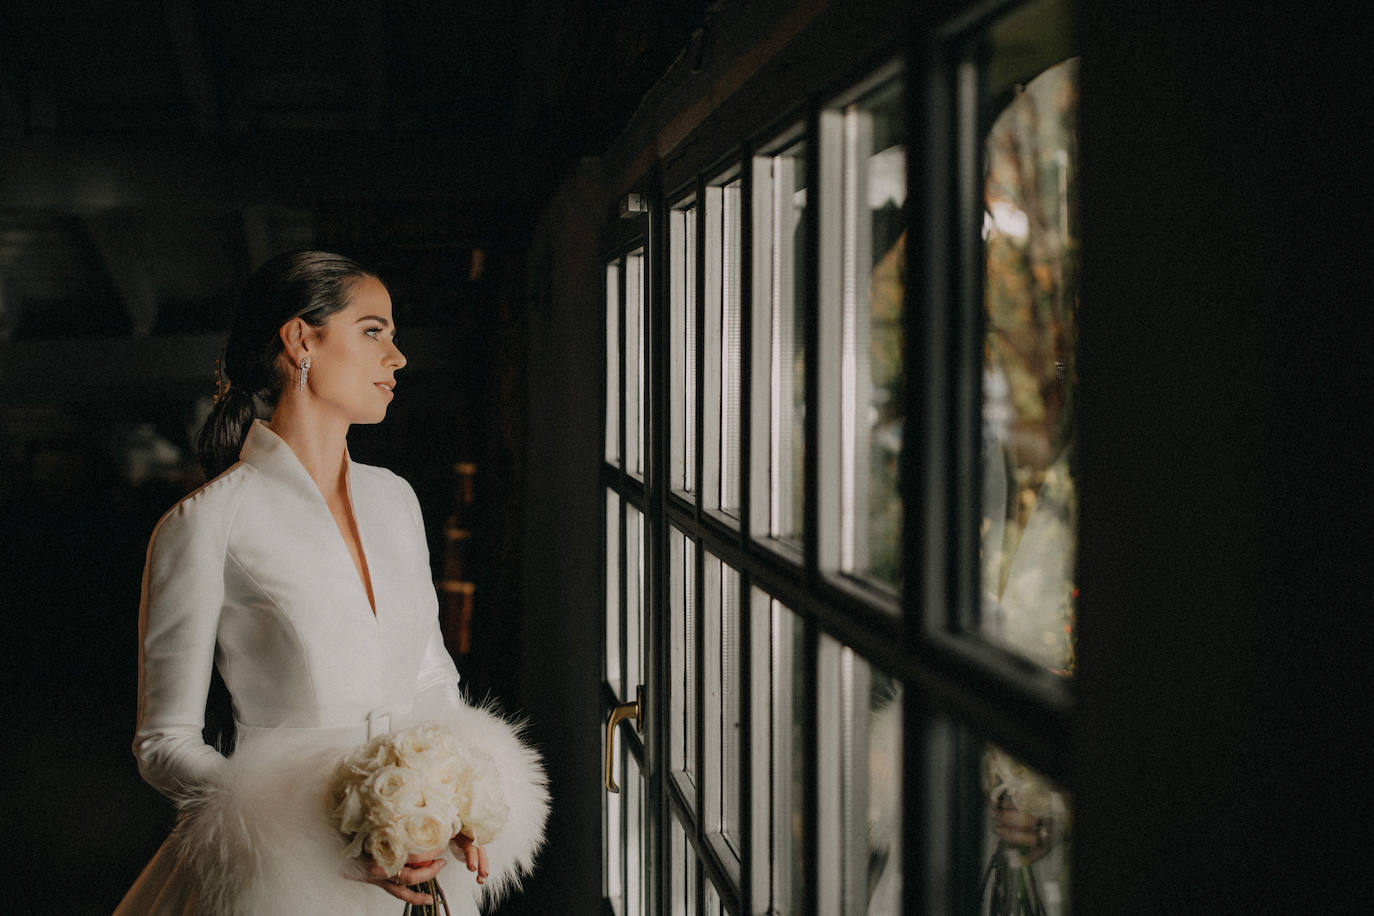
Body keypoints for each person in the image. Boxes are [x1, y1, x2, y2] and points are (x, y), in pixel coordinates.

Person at [115, 251, 548, 915]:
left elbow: (432, 680)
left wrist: (458, 801)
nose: (397, 357)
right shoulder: (205, 524)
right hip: (285, 885)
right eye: (374, 330)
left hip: (418, 872)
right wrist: (315, 839)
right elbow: (163, 744)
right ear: (301, 340)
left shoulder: (395, 499)